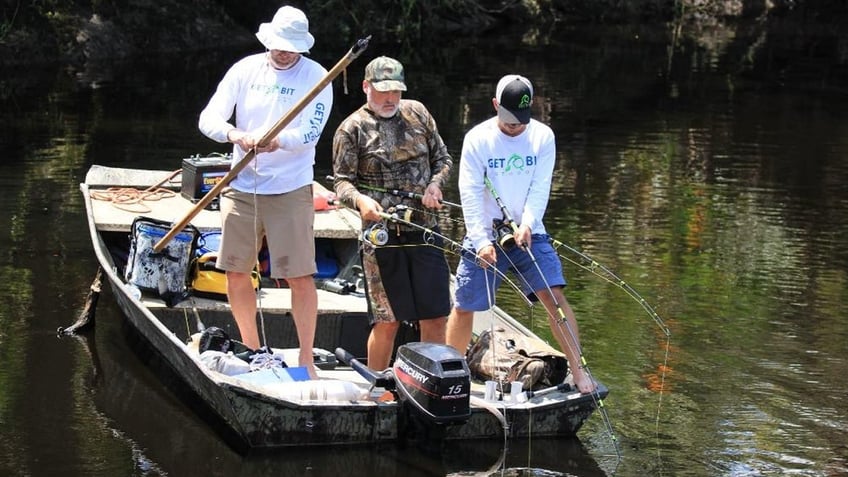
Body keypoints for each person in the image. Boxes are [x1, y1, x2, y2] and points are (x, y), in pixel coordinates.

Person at [197, 6, 333, 377]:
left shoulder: (318, 77)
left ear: (302, 47)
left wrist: (278, 141)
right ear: (269, 40)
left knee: (299, 274)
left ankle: (306, 356)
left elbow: (310, 133)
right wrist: (235, 135)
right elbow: (209, 118)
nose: (284, 52)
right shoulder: (245, 69)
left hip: (290, 187)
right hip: (242, 184)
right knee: (236, 269)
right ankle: (252, 349)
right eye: (279, 45)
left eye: (291, 47)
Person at [445, 74, 597, 394]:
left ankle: (580, 372)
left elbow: (540, 186)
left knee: (554, 296)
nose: (515, 127)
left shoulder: (543, 137)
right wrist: (482, 240)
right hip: (484, 233)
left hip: (530, 231)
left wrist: (528, 223)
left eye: (521, 121)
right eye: (509, 120)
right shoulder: (478, 139)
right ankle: (451, 372)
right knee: (465, 304)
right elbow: (469, 193)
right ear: (496, 106)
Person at [332, 56, 453, 371]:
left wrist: (435, 187)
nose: (390, 99)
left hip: (425, 231)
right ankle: (378, 386)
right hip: (381, 236)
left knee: (436, 316)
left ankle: (430, 382)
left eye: (396, 91)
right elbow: (342, 183)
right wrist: (360, 202)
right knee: (388, 321)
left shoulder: (418, 113)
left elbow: (443, 159)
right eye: (383, 91)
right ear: (366, 87)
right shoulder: (351, 129)